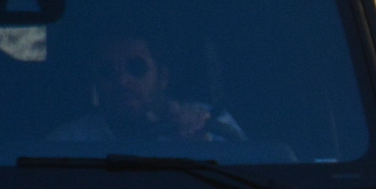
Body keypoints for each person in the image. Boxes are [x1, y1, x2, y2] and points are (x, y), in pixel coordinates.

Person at [47, 35, 244, 144]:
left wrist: (199, 147)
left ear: (163, 77)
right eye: (108, 71)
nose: (122, 81)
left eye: (136, 68)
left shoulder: (212, 123)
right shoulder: (69, 142)